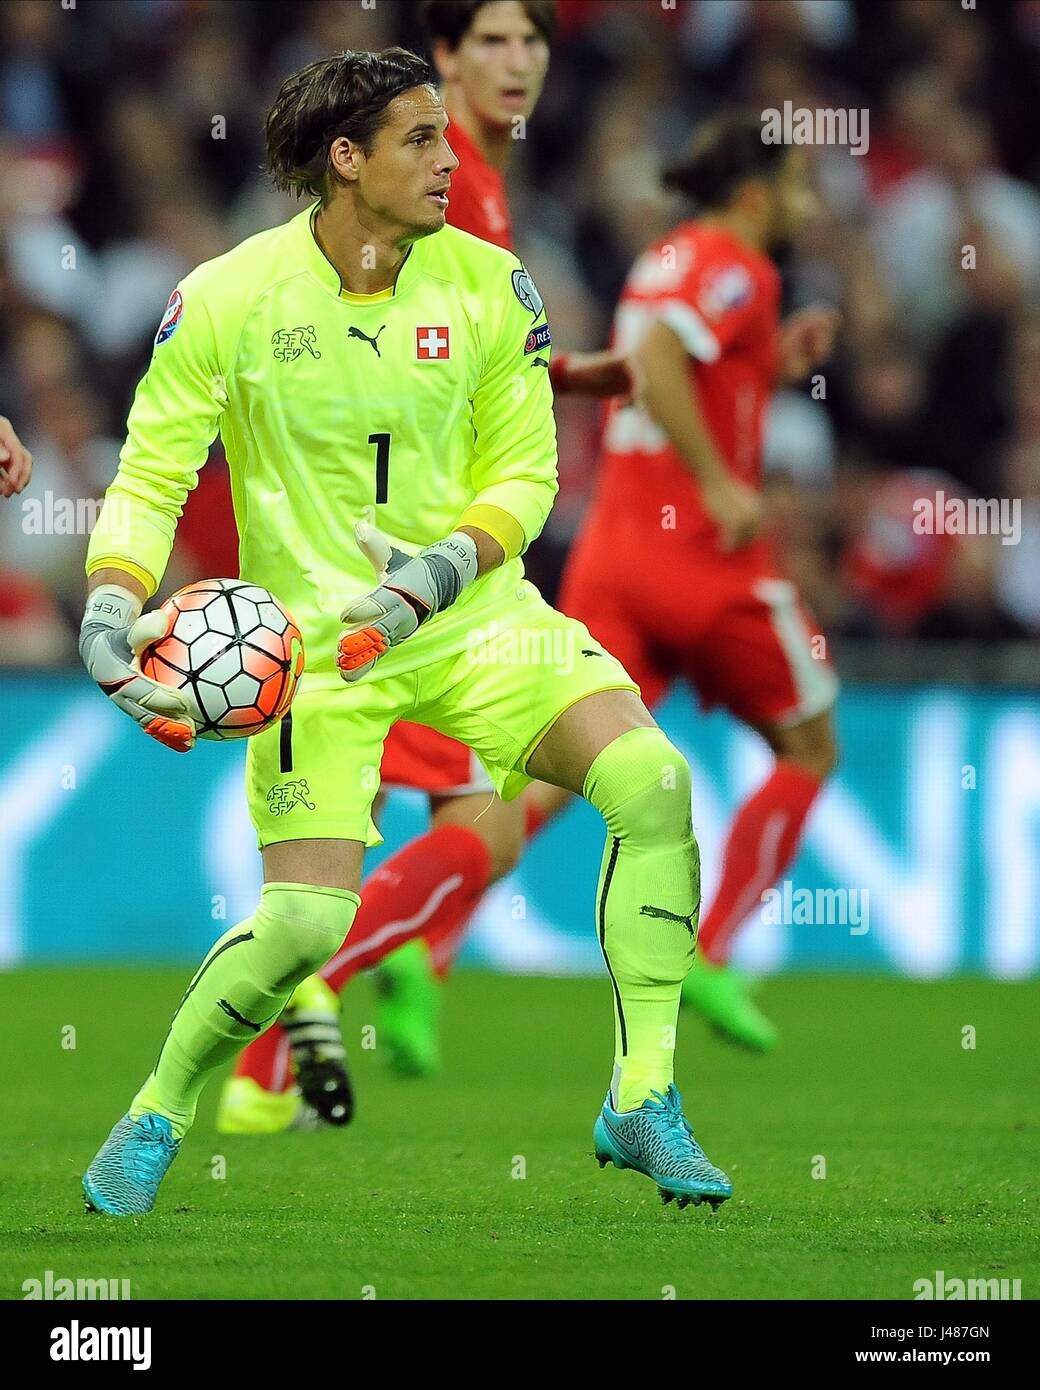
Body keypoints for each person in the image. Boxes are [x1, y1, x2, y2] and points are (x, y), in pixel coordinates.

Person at [79, 46, 731, 1216]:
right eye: (419, 141)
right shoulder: (226, 297)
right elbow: (150, 473)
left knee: (652, 780)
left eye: (447, 138)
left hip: (473, 619)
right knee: (305, 922)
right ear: (346, 160)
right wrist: (111, 605)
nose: (449, 161)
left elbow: (527, 472)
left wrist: (441, 567)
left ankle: (641, 1099)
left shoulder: (490, 285)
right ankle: (157, 1110)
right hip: (310, 652)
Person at [222, 0, 634, 1133]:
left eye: (532, 42)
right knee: (486, 826)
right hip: (406, 571)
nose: (517, 63)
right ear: (444, 58)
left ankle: (348, 971)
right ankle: (306, 991)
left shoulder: (459, 191)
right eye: (491, 41)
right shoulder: (447, 197)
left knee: (471, 820)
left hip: (427, 563)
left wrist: (576, 376)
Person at [531, 114, 841, 1050]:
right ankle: (711, 947)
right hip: (706, 562)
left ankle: (423, 934)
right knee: (812, 745)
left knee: (554, 767)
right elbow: (663, 363)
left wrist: (765, 367)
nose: (809, 202)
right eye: (796, 184)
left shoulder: (664, 258)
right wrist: (717, 479)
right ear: (756, 196)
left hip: (612, 554)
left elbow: (650, 363)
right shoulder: (746, 266)